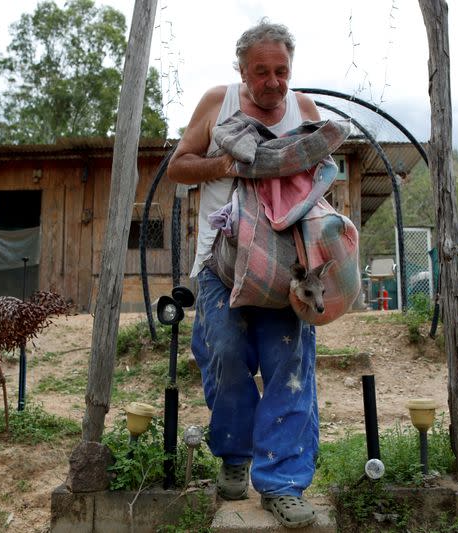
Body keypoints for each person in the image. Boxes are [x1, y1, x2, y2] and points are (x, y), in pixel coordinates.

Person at [167, 19, 321, 529]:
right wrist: (225, 167)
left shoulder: (304, 111)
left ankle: (282, 483)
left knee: (288, 364)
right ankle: (235, 454)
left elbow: (321, 181)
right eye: (262, 72)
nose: (274, 82)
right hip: (222, 262)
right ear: (241, 70)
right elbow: (177, 167)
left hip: (286, 265)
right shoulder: (219, 103)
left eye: (282, 71)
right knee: (227, 356)